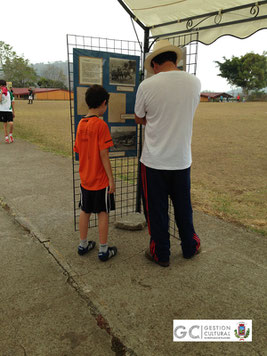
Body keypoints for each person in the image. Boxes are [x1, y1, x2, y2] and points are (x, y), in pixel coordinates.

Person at [134, 40, 201, 267]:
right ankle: (190, 247)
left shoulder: (147, 86)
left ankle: (160, 253)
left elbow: (138, 117)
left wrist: (153, 120)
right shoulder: (194, 82)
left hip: (154, 160)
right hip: (181, 159)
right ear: (175, 59)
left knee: (156, 210)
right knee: (183, 206)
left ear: (154, 64)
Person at [73, 84, 117, 261]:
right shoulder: (101, 125)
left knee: (85, 210)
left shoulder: (81, 124)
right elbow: (104, 154)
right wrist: (111, 180)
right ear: (103, 103)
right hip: (100, 180)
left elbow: (79, 150)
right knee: (102, 213)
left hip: (85, 179)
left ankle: (83, 244)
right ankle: (104, 250)